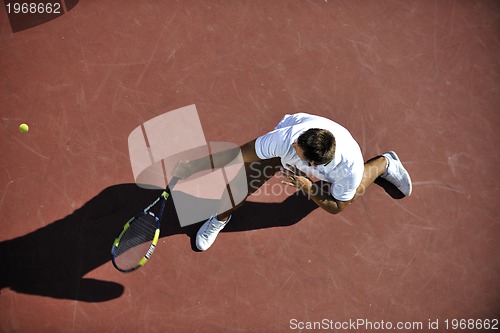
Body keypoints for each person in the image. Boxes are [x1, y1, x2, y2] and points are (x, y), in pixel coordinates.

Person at [172, 113, 412, 251]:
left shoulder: (348, 170)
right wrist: (194, 167)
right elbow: (236, 155)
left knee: (290, 214)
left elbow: (337, 207)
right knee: (239, 186)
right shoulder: (288, 139)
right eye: (297, 142)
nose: (293, 144)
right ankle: (220, 218)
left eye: (297, 149)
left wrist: (308, 187)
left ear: (312, 165)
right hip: (300, 155)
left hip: (335, 171)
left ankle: (384, 163)